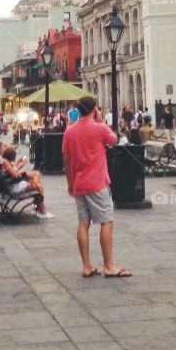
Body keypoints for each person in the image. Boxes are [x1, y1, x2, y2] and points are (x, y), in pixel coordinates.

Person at [62, 96, 130, 277]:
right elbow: (114, 139)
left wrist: (70, 182)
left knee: (83, 223)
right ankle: (109, 265)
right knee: (106, 221)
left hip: (79, 183)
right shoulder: (99, 128)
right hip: (97, 182)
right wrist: (100, 120)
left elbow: (66, 159)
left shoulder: (70, 131)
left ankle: (87, 266)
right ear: (94, 110)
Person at [0, 146, 53, 218]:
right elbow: (15, 175)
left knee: (37, 177)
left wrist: (18, 164)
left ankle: (39, 208)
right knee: (39, 186)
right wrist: (21, 168)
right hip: (14, 187)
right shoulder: (5, 162)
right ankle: (42, 211)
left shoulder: (4, 161)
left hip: (11, 185)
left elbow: (11, 171)